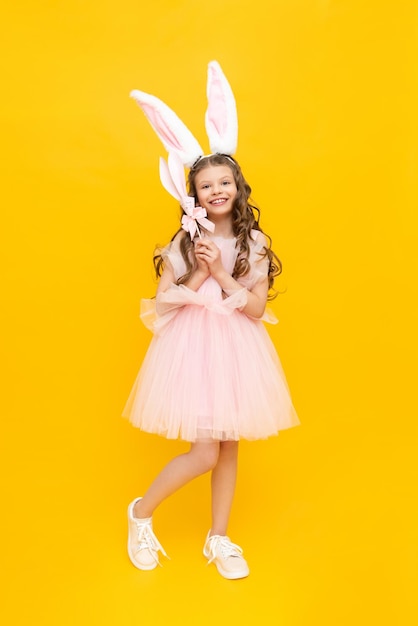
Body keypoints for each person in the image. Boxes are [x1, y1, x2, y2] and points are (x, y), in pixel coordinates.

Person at [123, 62, 299, 580]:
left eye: (225, 181)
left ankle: (218, 538)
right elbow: (164, 300)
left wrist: (222, 271)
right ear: (193, 195)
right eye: (206, 185)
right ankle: (140, 514)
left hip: (239, 347)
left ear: (238, 187)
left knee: (227, 447)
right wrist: (199, 272)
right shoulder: (185, 240)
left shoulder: (254, 243)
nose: (216, 190)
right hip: (194, 348)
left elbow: (255, 307)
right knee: (203, 451)